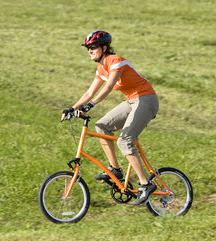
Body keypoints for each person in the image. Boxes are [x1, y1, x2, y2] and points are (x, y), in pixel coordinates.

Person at [62, 31, 159, 205]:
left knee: (125, 140)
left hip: (146, 99)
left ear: (104, 48)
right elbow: (89, 92)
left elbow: (108, 87)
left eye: (93, 47)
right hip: (131, 101)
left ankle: (146, 184)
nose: (90, 51)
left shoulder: (116, 61)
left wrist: (91, 105)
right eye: (88, 48)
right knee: (102, 125)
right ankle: (115, 170)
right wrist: (72, 108)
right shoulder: (101, 67)